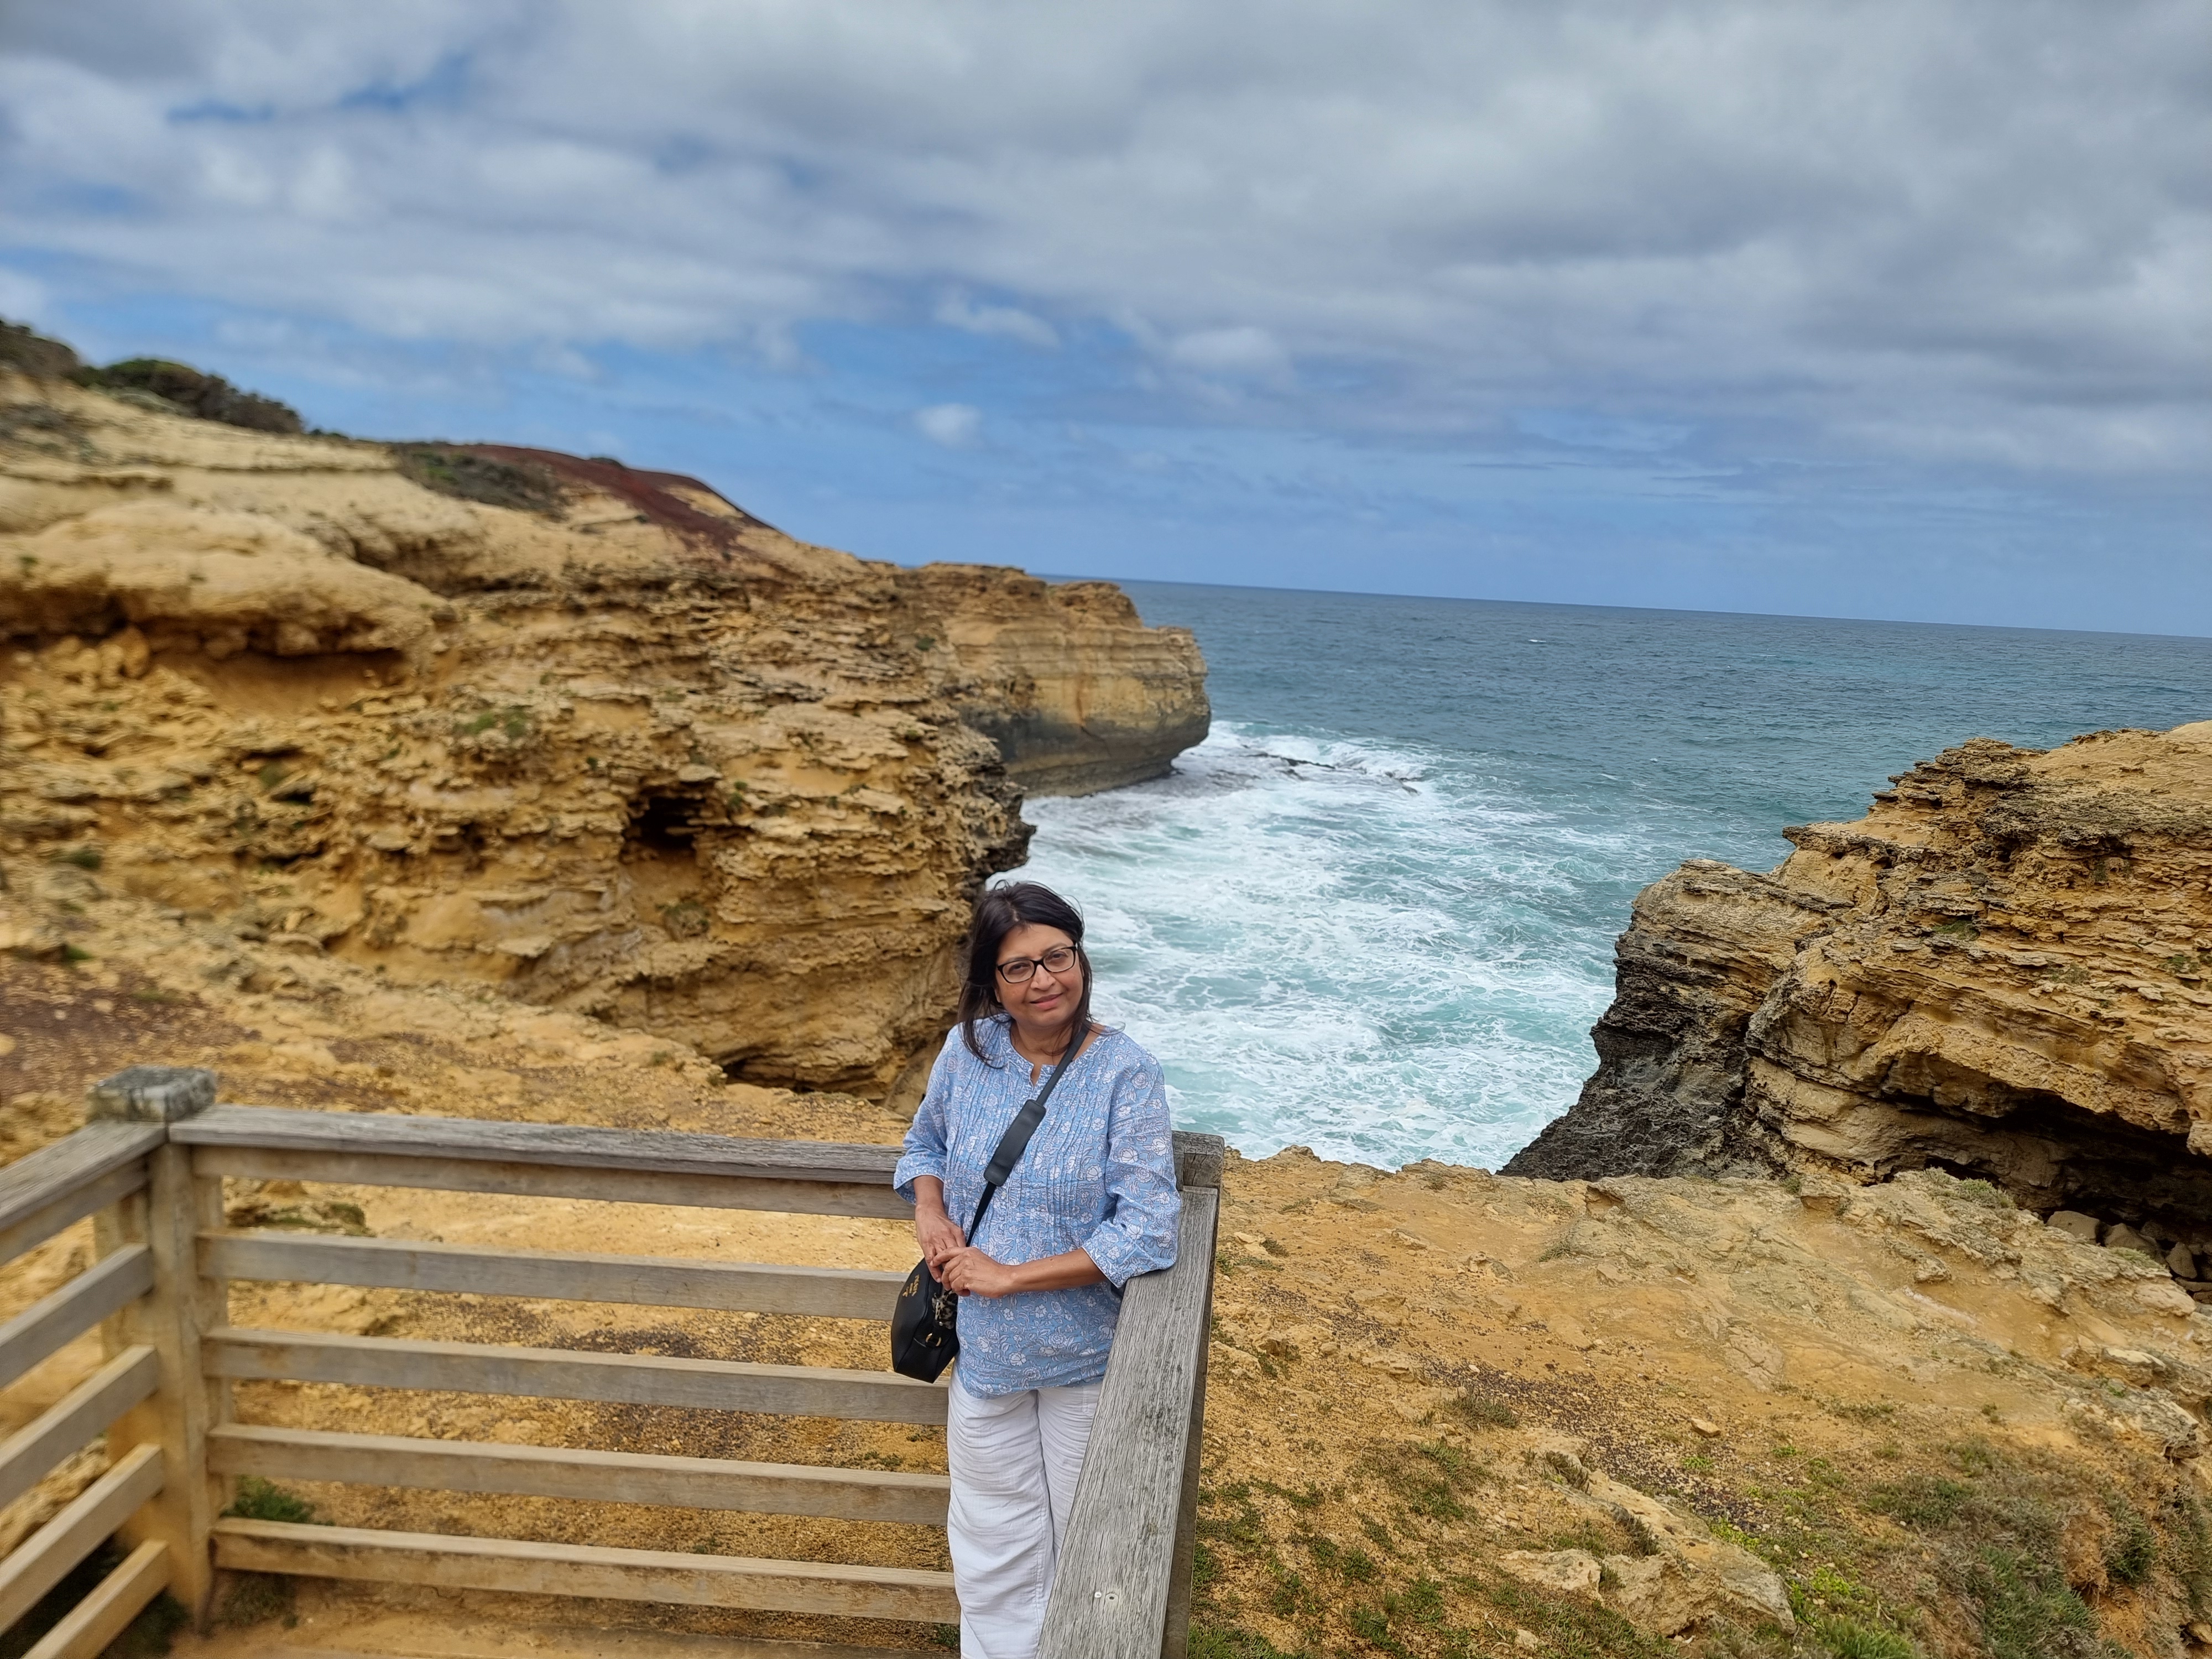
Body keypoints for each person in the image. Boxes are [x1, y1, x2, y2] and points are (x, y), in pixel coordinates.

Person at [895, 881, 1181, 1659]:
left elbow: (1149, 1229)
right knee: (993, 1549)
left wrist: (1009, 1276)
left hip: (1085, 1360)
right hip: (985, 1357)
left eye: (1058, 957)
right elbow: (924, 1144)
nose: (1045, 980)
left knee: (1091, 1542)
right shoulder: (970, 1050)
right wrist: (929, 1209)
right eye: (1019, 968)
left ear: (1081, 959)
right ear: (992, 985)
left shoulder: (1126, 1072)